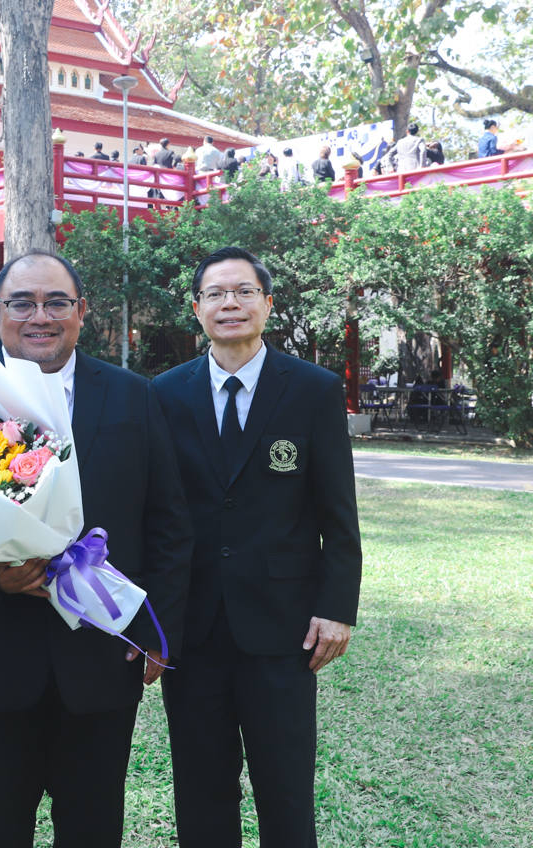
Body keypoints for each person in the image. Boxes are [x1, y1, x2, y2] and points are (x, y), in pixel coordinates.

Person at [0, 251, 193, 848]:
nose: (39, 316)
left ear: (81, 311)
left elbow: (169, 522)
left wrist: (158, 631)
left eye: (56, 303)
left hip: (100, 654)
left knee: (94, 829)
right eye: (22, 303)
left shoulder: (132, 395)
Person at [152, 246, 361, 846]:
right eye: (216, 293)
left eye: (244, 291)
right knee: (200, 785)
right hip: (191, 627)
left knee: (285, 786)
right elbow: (156, 513)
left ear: (267, 304)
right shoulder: (164, 393)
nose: (231, 304)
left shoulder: (313, 389)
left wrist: (337, 608)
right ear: (197, 308)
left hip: (283, 627)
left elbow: (338, 515)